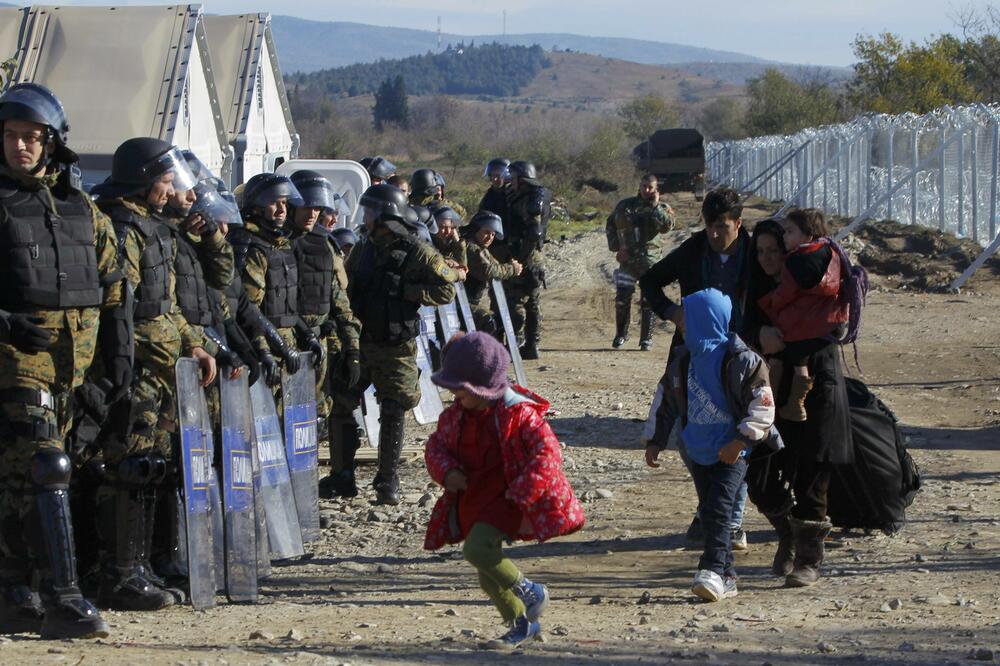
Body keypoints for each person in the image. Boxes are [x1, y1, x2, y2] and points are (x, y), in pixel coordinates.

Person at [0, 83, 126, 638]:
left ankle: (14, 589)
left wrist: (117, 358)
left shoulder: (83, 210)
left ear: (51, 143)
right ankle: (64, 598)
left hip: (73, 366)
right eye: (9, 136)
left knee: (19, 482)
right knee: (47, 467)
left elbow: (116, 281)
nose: (20, 146)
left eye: (30, 137)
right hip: (15, 361)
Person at [92, 137, 217, 612]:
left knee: (152, 468)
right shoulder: (123, 227)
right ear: (143, 181)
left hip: (159, 370)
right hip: (132, 368)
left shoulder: (152, 227)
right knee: (128, 467)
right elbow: (124, 312)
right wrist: (173, 351)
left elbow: (164, 306)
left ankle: (142, 564)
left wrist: (194, 345)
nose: (170, 192)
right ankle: (118, 573)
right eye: (164, 182)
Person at [423, 331, 585, 645]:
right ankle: (522, 625)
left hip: (506, 497)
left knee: (477, 550)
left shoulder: (519, 414)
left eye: (459, 389)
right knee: (487, 574)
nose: (453, 395)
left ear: (481, 388)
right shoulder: (455, 416)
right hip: (473, 498)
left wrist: (525, 489)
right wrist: (447, 471)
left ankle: (532, 591)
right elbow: (435, 448)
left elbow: (548, 454)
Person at [328, 184, 464, 504]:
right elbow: (348, 284)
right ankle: (342, 475)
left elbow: (446, 290)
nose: (366, 217)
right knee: (342, 400)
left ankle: (387, 481)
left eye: (371, 211)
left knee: (393, 410)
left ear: (386, 213)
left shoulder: (416, 250)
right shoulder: (364, 246)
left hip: (395, 346)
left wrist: (406, 291)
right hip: (362, 341)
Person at [645, 289, 781, 602]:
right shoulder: (683, 361)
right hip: (699, 449)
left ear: (708, 320)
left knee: (720, 508)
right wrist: (656, 440)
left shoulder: (743, 361)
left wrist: (741, 440)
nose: (681, 324)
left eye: (687, 318)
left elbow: (763, 406)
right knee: (709, 511)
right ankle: (729, 575)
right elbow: (665, 401)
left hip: (733, 449)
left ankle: (712, 570)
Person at [639, 187, 753, 546]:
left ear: (738, 223)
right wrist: (673, 313)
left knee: (742, 432)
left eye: (722, 226)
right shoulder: (693, 251)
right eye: (710, 226)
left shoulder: (756, 254)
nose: (715, 235)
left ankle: (728, 519)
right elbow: (650, 280)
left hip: (742, 357)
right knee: (691, 436)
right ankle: (712, 508)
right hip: (695, 354)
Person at [743, 219, 854, 588]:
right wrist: (758, 332)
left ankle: (809, 558)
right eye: (759, 251)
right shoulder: (754, 287)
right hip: (766, 387)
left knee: (811, 467)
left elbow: (834, 321)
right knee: (757, 469)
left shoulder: (809, 281)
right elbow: (737, 326)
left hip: (816, 381)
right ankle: (786, 530)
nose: (766, 258)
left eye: (774, 249)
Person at [285, 170, 362, 497]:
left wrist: (352, 348)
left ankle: (311, 493)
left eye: (319, 209)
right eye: (307, 207)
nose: (314, 214)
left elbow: (339, 301)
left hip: (320, 346)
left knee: (317, 421)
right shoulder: (276, 246)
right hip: (284, 346)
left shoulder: (322, 246)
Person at [758, 208, 849, 422]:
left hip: (802, 327)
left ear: (807, 235)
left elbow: (786, 293)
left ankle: (784, 401)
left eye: (790, 231)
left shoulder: (795, 262)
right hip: (830, 325)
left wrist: (770, 303)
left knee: (788, 355)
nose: (784, 236)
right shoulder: (830, 253)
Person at [229, 173, 317, 389]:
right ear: (257, 206)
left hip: (288, 349)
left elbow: (289, 307)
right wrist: (265, 350)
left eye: (285, 204)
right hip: (265, 351)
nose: (282, 210)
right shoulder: (253, 247)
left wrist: (308, 334)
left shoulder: (281, 245)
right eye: (274, 203)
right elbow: (248, 309)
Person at [606, 174, 675, 350]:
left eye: (650, 187)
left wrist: (655, 207)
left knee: (648, 301)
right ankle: (621, 335)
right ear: (640, 186)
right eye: (644, 186)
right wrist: (616, 247)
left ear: (656, 189)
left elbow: (667, 226)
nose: (646, 190)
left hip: (650, 262)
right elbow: (611, 224)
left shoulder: (661, 208)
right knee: (622, 298)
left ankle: (646, 339)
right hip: (627, 261)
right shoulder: (625, 205)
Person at [503, 161, 551, 360]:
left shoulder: (531, 200)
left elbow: (534, 231)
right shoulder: (531, 195)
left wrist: (519, 257)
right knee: (532, 302)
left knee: (516, 301)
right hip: (534, 256)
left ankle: (518, 345)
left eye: (512, 177)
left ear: (521, 180)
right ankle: (531, 345)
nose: (509, 181)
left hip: (526, 256)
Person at [462, 211, 522, 336]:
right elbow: (488, 271)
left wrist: (510, 266)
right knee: (488, 322)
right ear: (476, 229)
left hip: (470, 302)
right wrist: (512, 269)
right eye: (486, 232)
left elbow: (495, 266)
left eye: (493, 234)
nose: (490, 237)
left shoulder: (481, 248)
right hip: (461, 304)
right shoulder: (470, 247)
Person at [478, 158, 510, 224]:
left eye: (498, 176)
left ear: (506, 176)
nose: (495, 179)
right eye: (492, 175)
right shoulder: (489, 196)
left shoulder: (512, 194)